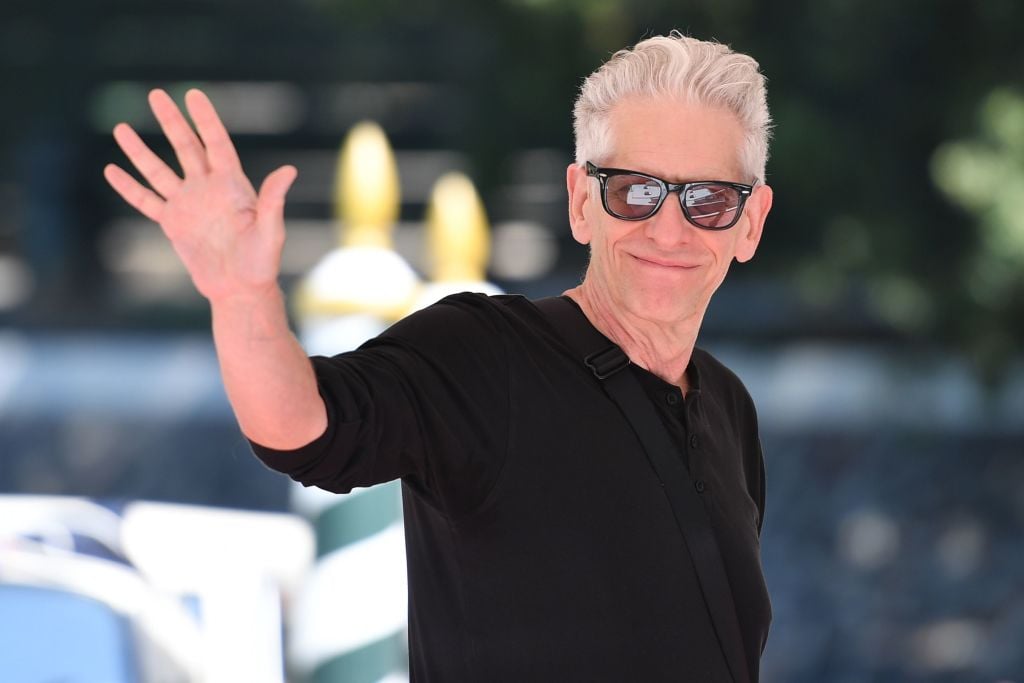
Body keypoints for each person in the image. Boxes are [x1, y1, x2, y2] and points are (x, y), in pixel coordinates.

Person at [105, 31, 773, 683]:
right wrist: (241, 294)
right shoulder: (482, 355)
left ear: (751, 222)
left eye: (708, 200)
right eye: (634, 190)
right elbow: (301, 425)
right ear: (580, 202)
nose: (667, 227)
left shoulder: (727, 406)